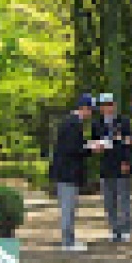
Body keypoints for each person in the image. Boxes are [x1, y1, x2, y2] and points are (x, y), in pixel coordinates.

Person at [49, 93, 95, 251]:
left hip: (66, 172)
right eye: (90, 110)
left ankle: (69, 239)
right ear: (84, 108)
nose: (91, 114)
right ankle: (67, 242)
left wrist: (88, 145)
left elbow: (74, 146)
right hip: (67, 172)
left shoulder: (71, 122)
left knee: (69, 207)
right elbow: (72, 149)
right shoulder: (73, 124)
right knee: (68, 208)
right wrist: (91, 149)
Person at [91, 93, 132, 243]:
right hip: (105, 166)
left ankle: (126, 229)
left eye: (110, 104)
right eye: (104, 105)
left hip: (121, 164)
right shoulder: (96, 124)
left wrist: (126, 161)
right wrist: (96, 147)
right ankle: (114, 230)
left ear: (114, 105)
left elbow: (129, 144)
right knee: (109, 201)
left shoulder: (124, 122)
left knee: (123, 199)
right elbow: (94, 142)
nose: (107, 108)